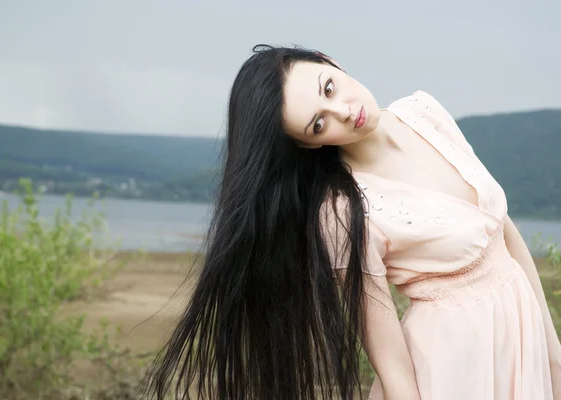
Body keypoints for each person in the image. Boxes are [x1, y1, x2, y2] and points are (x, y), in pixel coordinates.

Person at [143, 44, 561, 399]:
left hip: (522, 338)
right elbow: (392, 364)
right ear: (309, 143)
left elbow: (502, 228)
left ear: (330, 61)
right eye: (318, 122)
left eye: (328, 87)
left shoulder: (425, 112)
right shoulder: (342, 212)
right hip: (455, 367)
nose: (343, 111)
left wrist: (553, 348)